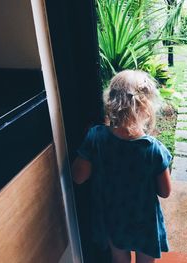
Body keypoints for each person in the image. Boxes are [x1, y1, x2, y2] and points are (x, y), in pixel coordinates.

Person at [72, 70, 172, 263]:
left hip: (113, 217)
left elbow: (78, 177)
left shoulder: (96, 137)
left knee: (119, 258)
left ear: (110, 102)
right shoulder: (153, 149)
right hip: (145, 221)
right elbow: (165, 192)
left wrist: (88, 144)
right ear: (146, 107)